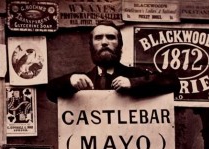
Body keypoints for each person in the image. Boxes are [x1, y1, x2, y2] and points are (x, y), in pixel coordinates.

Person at [46, 20, 180, 102]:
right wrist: (70, 81)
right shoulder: (83, 80)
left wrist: (132, 83)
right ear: (91, 46)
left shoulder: (134, 75)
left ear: (120, 45)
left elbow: (173, 82)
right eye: (98, 38)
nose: (104, 42)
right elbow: (51, 92)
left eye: (111, 37)